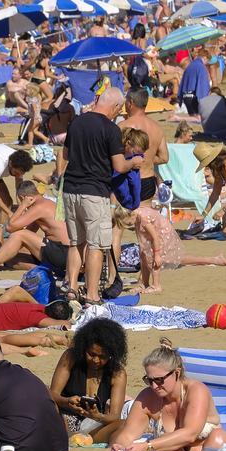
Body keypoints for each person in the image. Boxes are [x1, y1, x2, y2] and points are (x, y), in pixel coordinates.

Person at [109, 340, 226, 451]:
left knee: (218, 437)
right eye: (149, 380)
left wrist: (147, 446)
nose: (154, 386)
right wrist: (119, 447)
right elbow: (128, 434)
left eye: (159, 380)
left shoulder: (196, 391)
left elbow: (190, 433)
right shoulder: (148, 397)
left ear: (177, 373)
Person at [61, 87, 138, 304]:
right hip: (94, 192)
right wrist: (134, 162)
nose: (118, 113)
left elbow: (65, 154)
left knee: (76, 242)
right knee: (96, 245)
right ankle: (92, 294)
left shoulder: (77, 122)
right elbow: (119, 165)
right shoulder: (110, 128)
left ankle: (72, 288)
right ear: (114, 106)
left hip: (71, 189)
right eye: (118, 109)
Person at [48, 318, 128, 443]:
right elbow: (52, 394)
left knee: (124, 424)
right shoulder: (71, 357)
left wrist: (97, 416)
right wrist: (67, 401)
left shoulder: (118, 373)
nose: (96, 360)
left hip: (94, 427)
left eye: (102, 357)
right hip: (63, 419)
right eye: (91, 354)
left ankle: (83, 439)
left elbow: (114, 415)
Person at [119, 89, 169, 202]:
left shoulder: (121, 127)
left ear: (130, 102)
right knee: (144, 216)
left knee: (124, 218)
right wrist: (148, 158)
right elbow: (164, 158)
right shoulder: (157, 128)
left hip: (127, 180)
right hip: (148, 180)